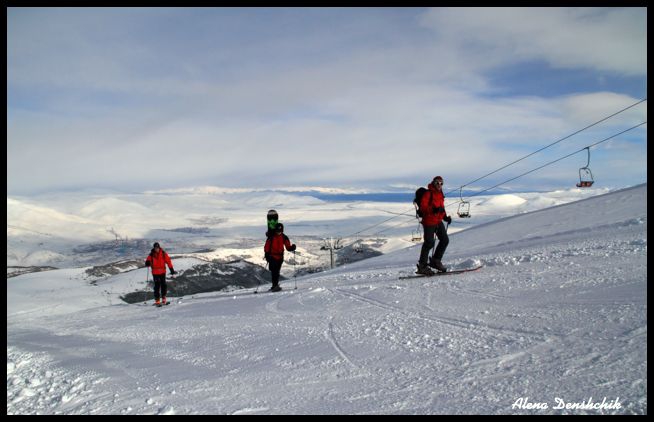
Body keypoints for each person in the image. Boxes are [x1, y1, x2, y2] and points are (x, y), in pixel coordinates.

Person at [417, 176, 452, 275]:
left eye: (441, 183)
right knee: (429, 243)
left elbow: (442, 207)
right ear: (433, 183)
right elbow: (423, 208)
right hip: (428, 221)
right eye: (437, 183)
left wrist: (445, 217)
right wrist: (433, 210)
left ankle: (436, 261)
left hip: (438, 221)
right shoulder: (428, 193)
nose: (439, 185)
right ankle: (422, 266)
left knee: (445, 240)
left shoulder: (440, 194)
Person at [264, 223, 296, 292]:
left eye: (280, 231)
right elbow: (266, 247)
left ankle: (275, 285)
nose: (279, 232)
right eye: (277, 231)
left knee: (276, 272)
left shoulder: (284, 237)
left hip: (280, 257)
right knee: (274, 271)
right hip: (272, 257)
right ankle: (275, 286)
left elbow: (288, 247)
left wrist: (292, 248)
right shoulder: (271, 237)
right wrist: (267, 255)